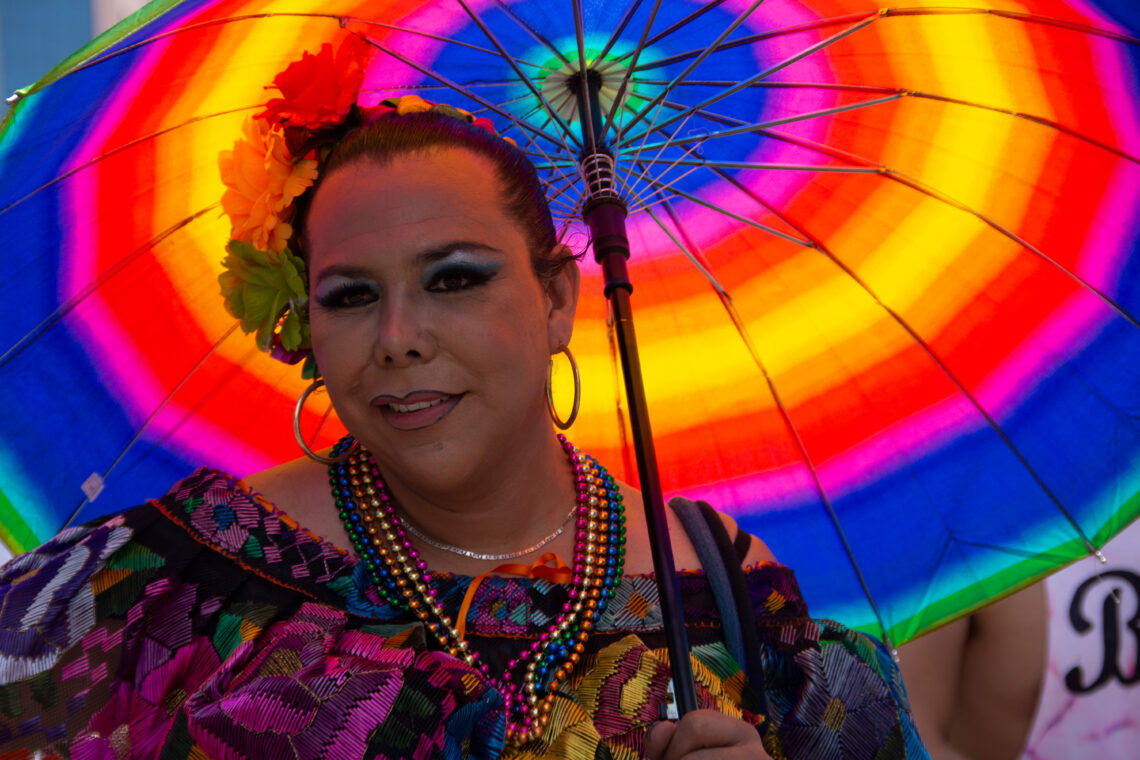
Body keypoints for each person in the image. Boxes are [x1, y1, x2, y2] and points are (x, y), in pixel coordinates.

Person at [0, 38, 929, 759]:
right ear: (307, 330)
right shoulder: (175, 589)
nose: (399, 335)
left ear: (559, 299)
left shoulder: (724, 595)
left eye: (453, 279)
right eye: (352, 295)